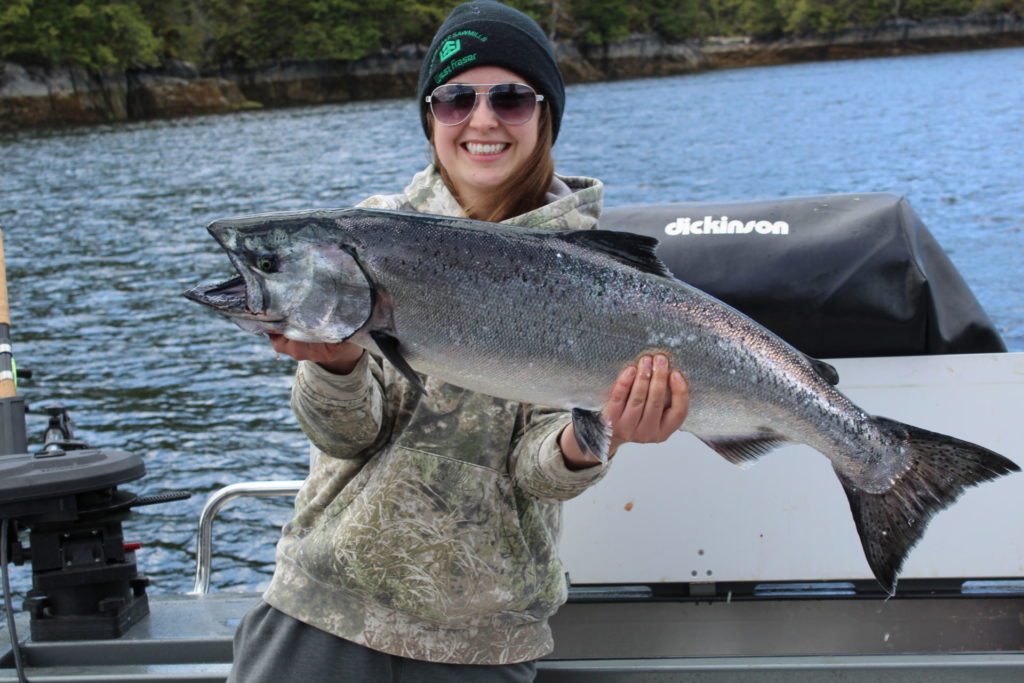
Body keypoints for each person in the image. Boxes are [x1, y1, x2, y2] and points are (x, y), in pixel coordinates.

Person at [227, 1, 689, 680]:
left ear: (545, 115)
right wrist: (335, 365)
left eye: (510, 98)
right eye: (454, 99)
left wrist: (596, 435)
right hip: (323, 614)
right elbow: (347, 437)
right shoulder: (362, 240)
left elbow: (538, 472)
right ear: (429, 116)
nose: (482, 120)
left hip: (481, 643)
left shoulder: (596, 273)